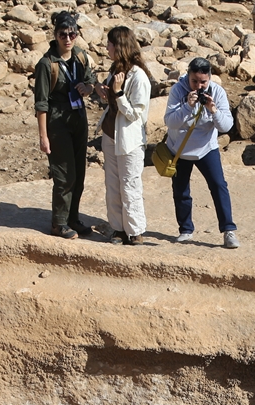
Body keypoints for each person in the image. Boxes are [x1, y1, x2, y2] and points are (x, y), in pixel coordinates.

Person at [163, 57, 239, 249]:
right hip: (179, 150)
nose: (198, 86)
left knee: (219, 186)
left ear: (210, 79)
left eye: (203, 82)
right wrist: (187, 106)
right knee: (181, 191)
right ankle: (185, 229)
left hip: (206, 148)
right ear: (188, 77)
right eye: (194, 81)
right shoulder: (177, 91)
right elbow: (170, 122)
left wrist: (213, 110)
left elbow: (227, 126)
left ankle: (228, 230)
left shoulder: (217, 92)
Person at [33, 11, 96, 239]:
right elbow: (41, 103)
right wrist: (43, 136)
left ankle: (73, 218)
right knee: (64, 175)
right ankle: (58, 223)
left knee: (79, 172)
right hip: (57, 123)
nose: (67, 39)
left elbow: (91, 80)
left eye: (72, 34)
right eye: (63, 34)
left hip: (79, 119)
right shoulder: (46, 64)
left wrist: (88, 89)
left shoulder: (80, 56)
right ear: (55, 35)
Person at [94, 26, 150, 246]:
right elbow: (110, 103)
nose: (106, 48)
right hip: (110, 135)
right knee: (113, 184)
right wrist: (103, 91)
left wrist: (118, 93)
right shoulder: (115, 69)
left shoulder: (139, 76)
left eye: (109, 44)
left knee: (130, 184)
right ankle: (118, 229)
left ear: (119, 46)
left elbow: (137, 113)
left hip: (130, 140)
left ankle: (135, 230)